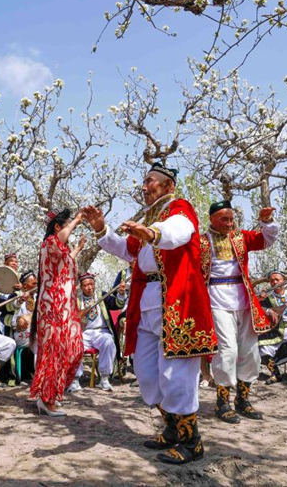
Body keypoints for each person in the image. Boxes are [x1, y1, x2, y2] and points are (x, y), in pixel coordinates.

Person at [84, 162, 217, 465]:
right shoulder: (149, 217)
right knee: (146, 374)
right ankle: (171, 430)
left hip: (178, 301)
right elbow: (129, 250)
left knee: (176, 376)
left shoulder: (179, 208)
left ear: (168, 186)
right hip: (147, 302)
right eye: (143, 182)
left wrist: (151, 232)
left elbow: (179, 232)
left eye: (151, 182)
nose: (144, 187)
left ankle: (191, 441)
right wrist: (101, 229)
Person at [200, 199, 278, 423]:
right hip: (216, 299)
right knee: (227, 351)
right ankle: (222, 402)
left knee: (251, 352)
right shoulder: (202, 242)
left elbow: (267, 239)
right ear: (212, 219)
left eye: (232, 219)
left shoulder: (241, 237)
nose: (229, 223)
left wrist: (266, 221)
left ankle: (243, 399)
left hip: (243, 299)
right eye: (224, 219)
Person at [29, 209, 85, 417]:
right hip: (52, 307)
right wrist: (77, 221)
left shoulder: (59, 249)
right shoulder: (49, 243)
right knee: (54, 352)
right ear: (58, 227)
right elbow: (59, 242)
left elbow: (65, 260)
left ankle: (51, 392)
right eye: (68, 224)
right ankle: (46, 398)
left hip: (65, 308)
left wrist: (78, 249)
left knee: (75, 348)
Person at [68, 272, 120, 392]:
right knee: (73, 343)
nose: (89, 287)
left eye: (91, 284)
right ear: (81, 287)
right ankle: (75, 379)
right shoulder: (76, 300)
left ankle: (104, 378)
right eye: (86, 285)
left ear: (95, 284)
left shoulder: (102, 296)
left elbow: (117, 304)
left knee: (108, 342)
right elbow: (71, 317)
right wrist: (80, 314)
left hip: (101, 332)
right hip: (84, 333)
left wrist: (121, 293)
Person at [10, 270, 38, 383]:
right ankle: (38, 376)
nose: (36, 286)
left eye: (37, 283)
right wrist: (21, 321)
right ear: (25, 286)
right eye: (33, 284)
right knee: (38, 342)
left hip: (35, 332)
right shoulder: (17, 297)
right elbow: (12, 322)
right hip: (21, 333)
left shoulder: (37, 297)